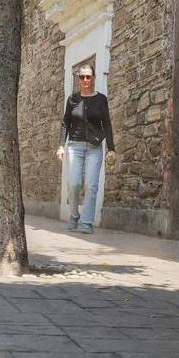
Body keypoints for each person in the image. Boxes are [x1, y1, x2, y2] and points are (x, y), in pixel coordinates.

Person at [57, 64, 115, 234]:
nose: (85, 80)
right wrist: (61, 145)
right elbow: (65, 123)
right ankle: (74, 215)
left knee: (91, 185)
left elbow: (108, 124)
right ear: (79, 78)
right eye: (82, 77)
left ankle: (87, 222)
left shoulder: (101, 99)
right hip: (74, 146)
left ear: (93, 77)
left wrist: (111, 148)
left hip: (94, 148)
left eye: (88, 76)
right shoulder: (72, 100)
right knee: (73, 183)